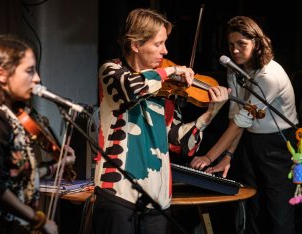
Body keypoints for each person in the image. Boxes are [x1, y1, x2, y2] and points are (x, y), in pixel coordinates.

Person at [93, 8, 230, 234]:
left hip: (158, 199)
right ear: (136, 45)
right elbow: (131, 88)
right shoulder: (111, 71)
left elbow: (182, 144)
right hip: (118, 192)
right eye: (158, 44)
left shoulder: (165, 91)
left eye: (165, 43)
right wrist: (173, 70)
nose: (165, 52)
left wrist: (210, 113)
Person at [190, 16, 299, 234]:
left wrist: (210, 157)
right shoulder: (234, 69)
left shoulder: (269, 75)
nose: (235, 50)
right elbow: (235, 115)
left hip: (279, 146)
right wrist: (228, 155)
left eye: (242, 44)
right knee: (252, 209)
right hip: (251, 142)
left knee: (278, 212)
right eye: (231, 45)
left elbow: (242, 121)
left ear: (257, 43)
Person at [0, 35, 75, 234]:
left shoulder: (5, 116)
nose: (37, 79)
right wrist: (39, 220)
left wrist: (58, 166)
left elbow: (17, 176)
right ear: (1, 74)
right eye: (29, 70)